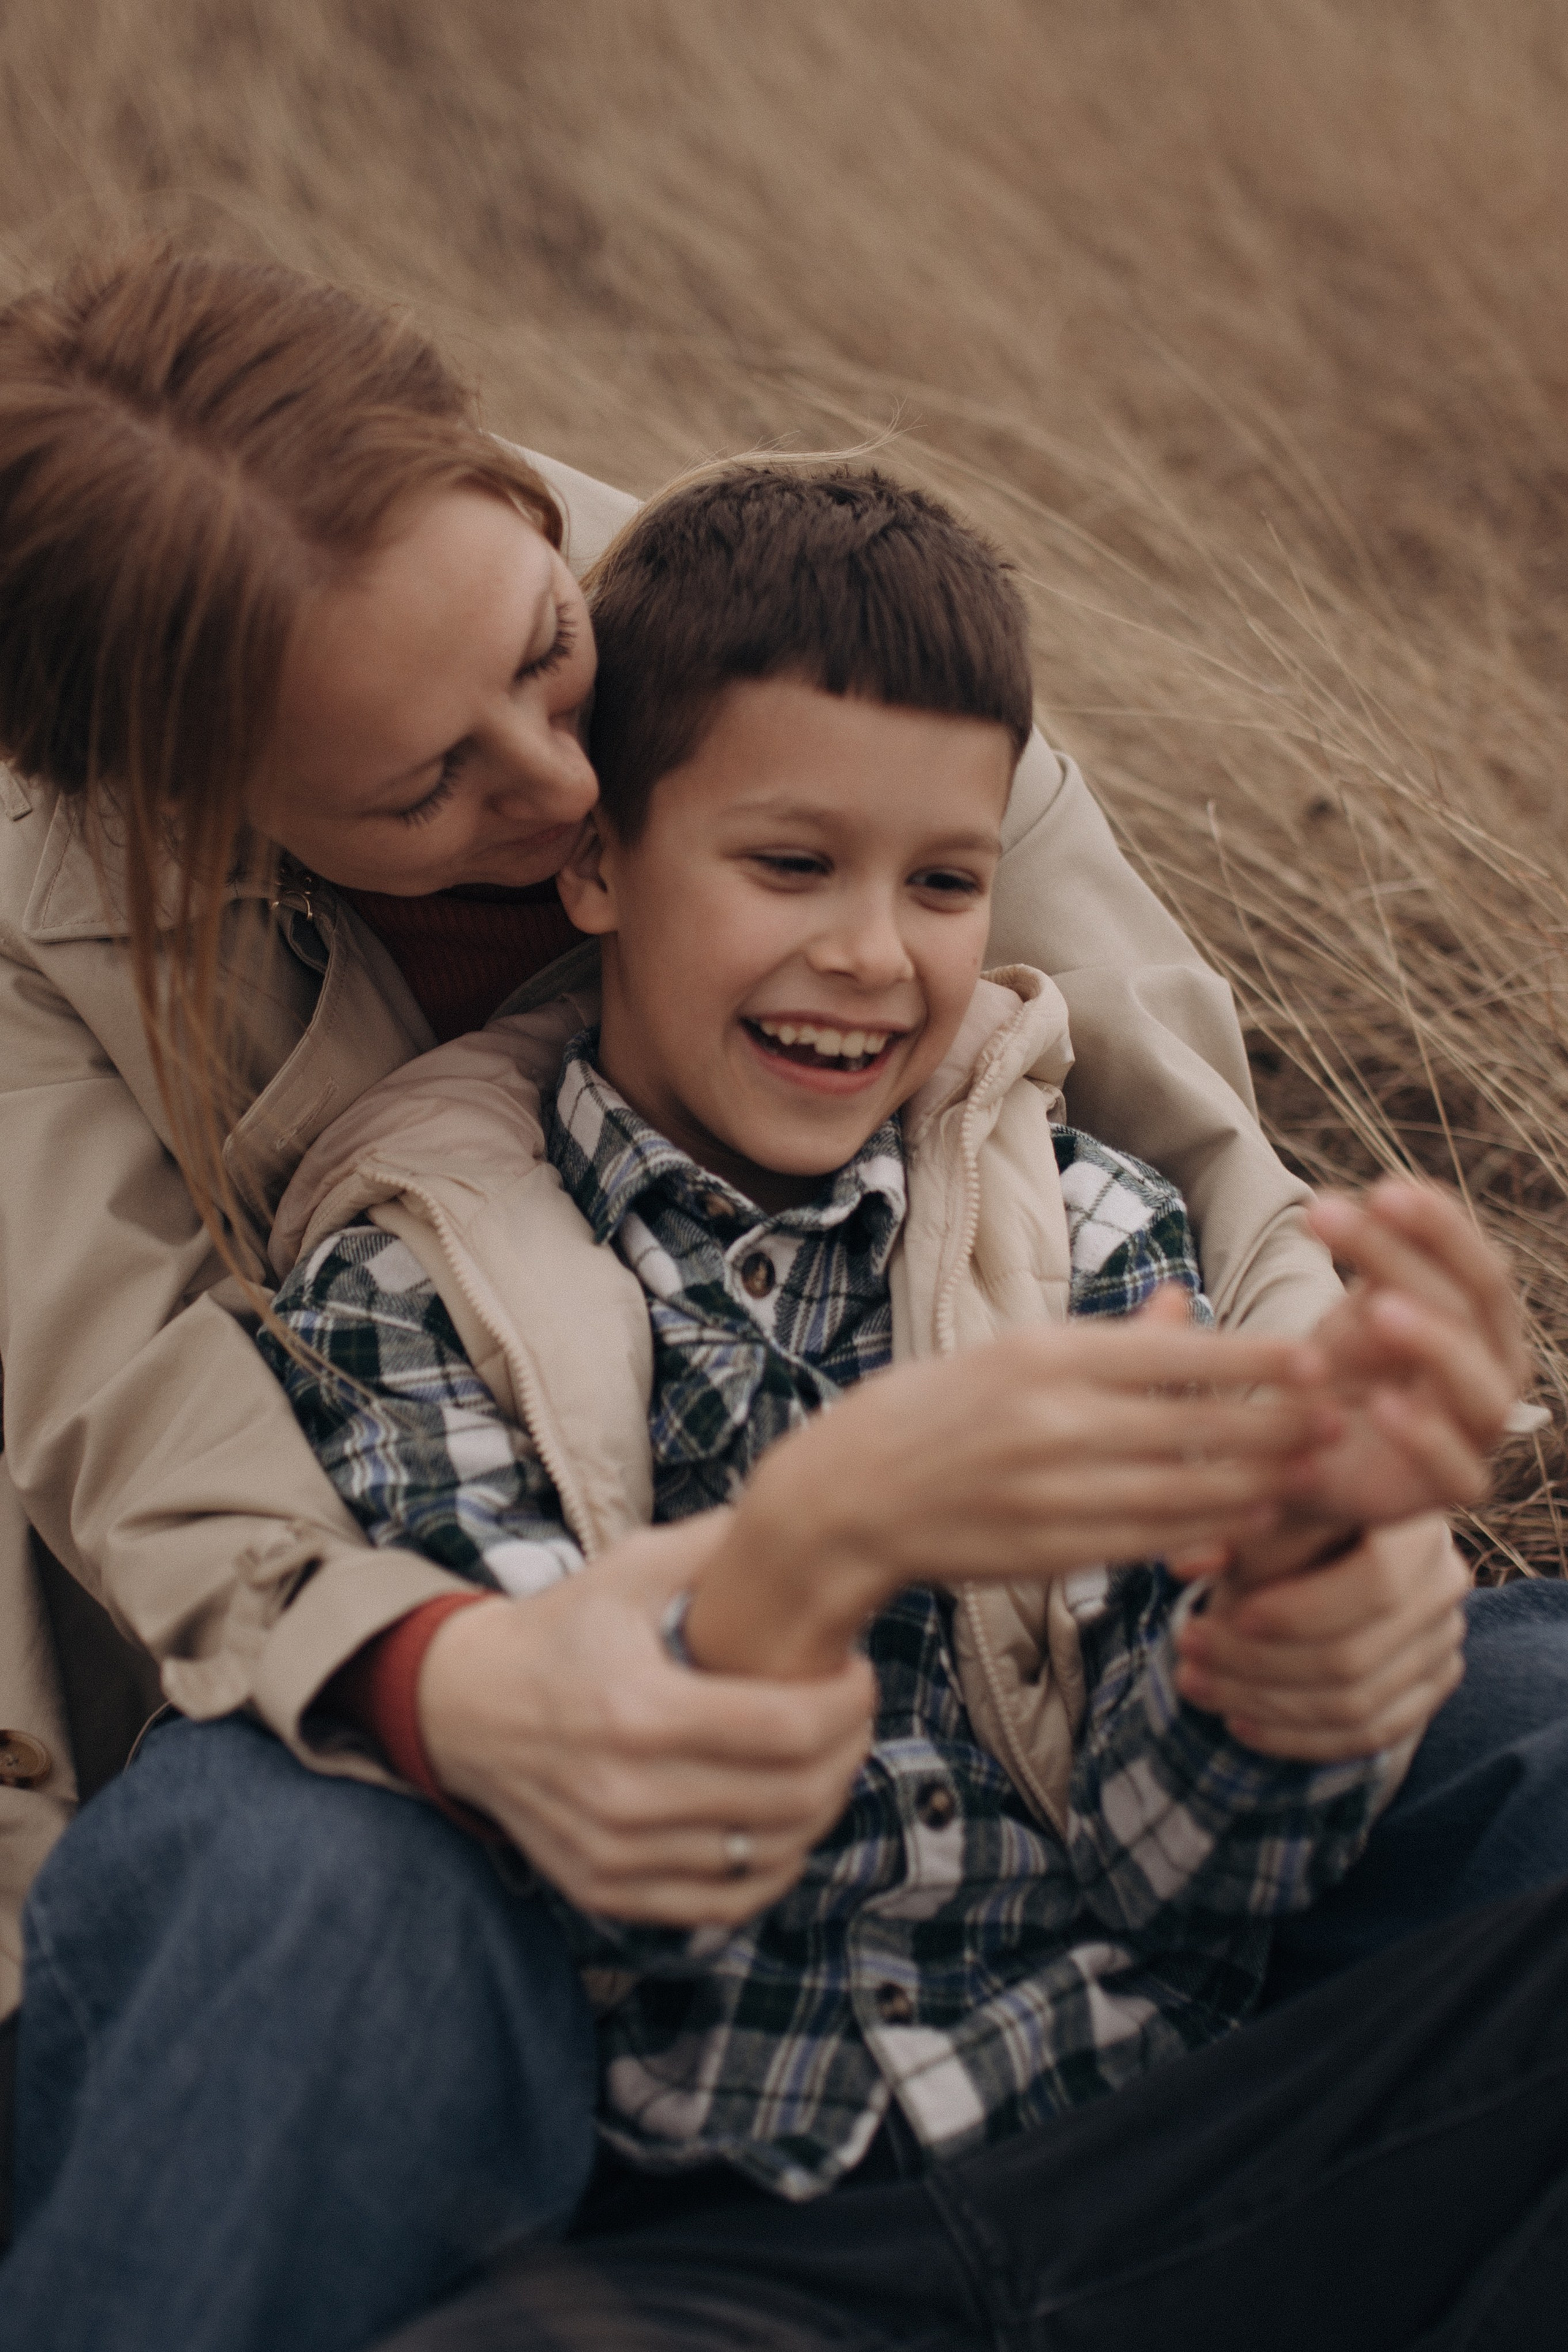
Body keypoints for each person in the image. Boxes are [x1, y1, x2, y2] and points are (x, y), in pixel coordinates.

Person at [0, 248, 1547, 2352]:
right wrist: (498, 1677)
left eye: (550, 661)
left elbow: (1191, 1171)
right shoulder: (151, 1023)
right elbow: (164, 1442)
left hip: (1063, 1852)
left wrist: (1315, 1531)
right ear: (195, 798)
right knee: (329, 1890)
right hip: (397, 1694)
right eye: (423, 791)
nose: (562, 788)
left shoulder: (787, 633)